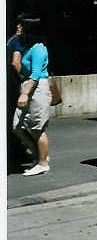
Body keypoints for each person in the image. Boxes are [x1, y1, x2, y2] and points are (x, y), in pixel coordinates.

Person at [12, 17, 52, 176]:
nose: (18, 27)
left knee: (37, 128)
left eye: (21, 26)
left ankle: (42, 163)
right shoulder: (26, 47)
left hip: (37, 89)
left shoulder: (38, 49)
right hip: (28, 86)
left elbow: (35, 75)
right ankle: (39, 157)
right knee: (17, 126)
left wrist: (24, 94)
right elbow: (22, 70)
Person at [7, 16, 29, 171]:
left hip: (8, 83)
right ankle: (19, 150)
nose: (19, 27)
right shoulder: (18, 41)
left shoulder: (10, 40)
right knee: (17, 119)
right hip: (13, 84)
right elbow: (16, 63)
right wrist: (24, 77)